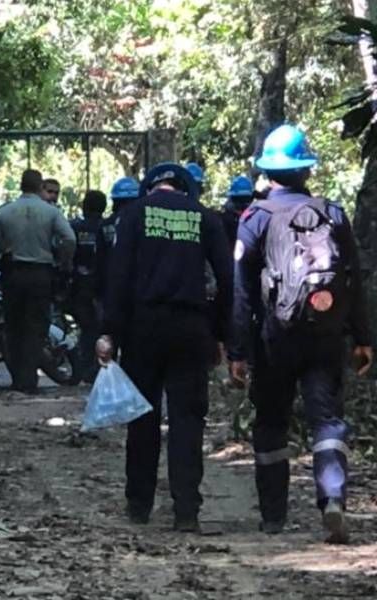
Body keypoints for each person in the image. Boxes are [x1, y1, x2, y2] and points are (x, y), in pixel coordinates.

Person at [228, 124, 374, 543]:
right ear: (306, 170)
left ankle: (273, 516)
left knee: (272, 422)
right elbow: (354, 280)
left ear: (267, 173)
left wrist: (237, 350)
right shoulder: (333, 214)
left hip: (273, 339)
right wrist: (363, 337)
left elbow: (241, 293)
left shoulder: (254, 219)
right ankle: (332, 499)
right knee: (327, 421)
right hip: (326, 335)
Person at [96, 162, 232, 533]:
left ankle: (139, 503)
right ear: (186, 187)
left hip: (144, 328)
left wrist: (111, 332)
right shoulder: (205, 217)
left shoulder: (134, 215)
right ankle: (186, 510)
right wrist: (220, 333)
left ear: (150, 188)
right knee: (188, 420)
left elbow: (118, 276)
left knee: (143, 416)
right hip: (192, 328)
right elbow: (226, 279)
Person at [0, 169, 76, 393]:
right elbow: (69, 238)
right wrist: (64, 262)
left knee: (14, 327)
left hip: (13, 274)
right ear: (39, 187)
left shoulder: (4, 213)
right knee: (36, 327)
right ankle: (30, 380)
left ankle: (18, 378)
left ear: (20, 186)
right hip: (41, 274)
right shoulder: (50, 212)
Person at [68, 190, 107, 384]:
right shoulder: (108, 228)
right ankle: (98, 367)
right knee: (100, 327)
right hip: (103, 286)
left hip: (79, 285)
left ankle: (84, 367)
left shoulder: (74, 227)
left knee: (87, 328)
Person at [97, 177, 140, 296]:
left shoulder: (105, 225)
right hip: (137, 283)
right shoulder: (143, 223)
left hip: (111, 283)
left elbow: (99, 258)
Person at [221, 175, 255, 251]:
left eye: (244, 200)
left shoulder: (223, 219)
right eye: (238, 200)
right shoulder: (225, 219)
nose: (241, 204)